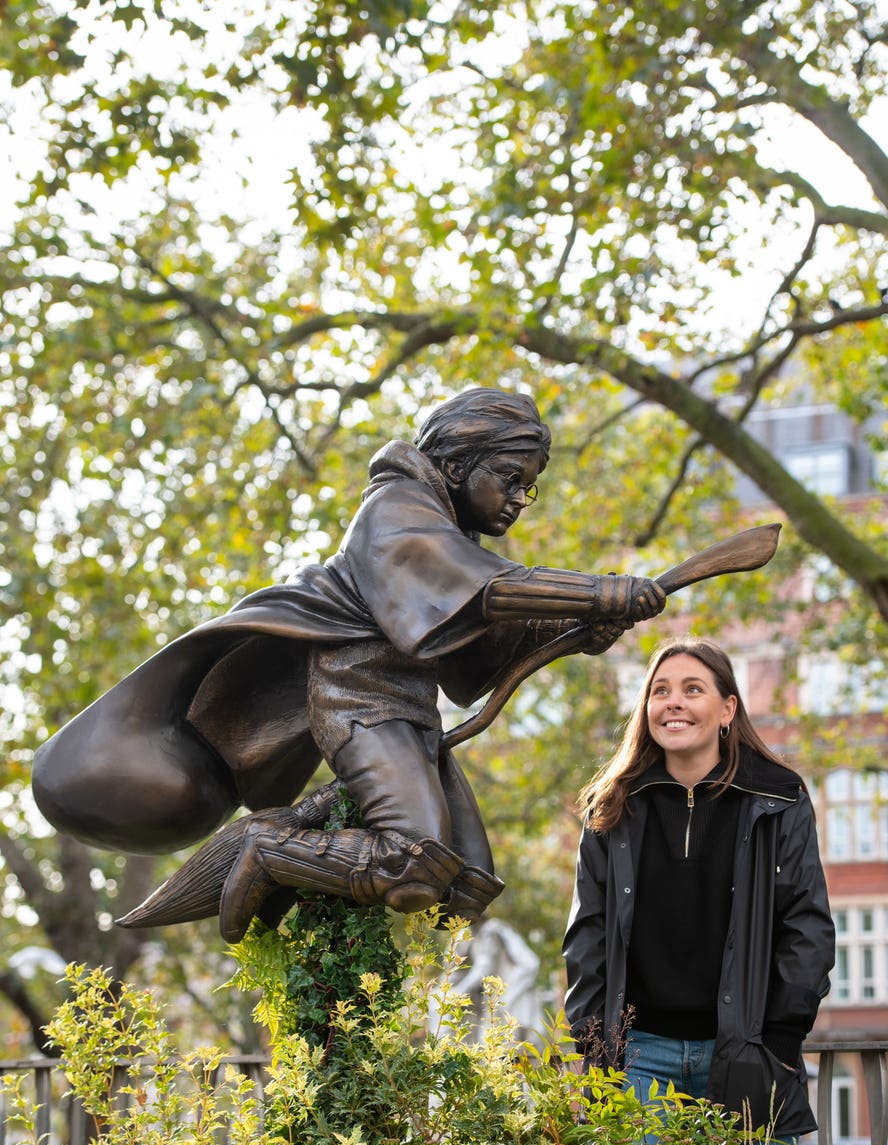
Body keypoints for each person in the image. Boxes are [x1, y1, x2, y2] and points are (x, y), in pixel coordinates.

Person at [32, 388, 666, 940]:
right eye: (509, 475)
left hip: (408, 714)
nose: (521, 498)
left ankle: (312, 868)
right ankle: (270, 847)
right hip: (362, 705)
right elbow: (489, 590)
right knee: (413, 864)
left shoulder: (453, 536)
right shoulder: (395, 510)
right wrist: (597, 591)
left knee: (463, 888)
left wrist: (576, 629)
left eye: (531, 484)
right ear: (454, 462)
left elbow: (469, 668)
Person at [562, 636, 835, 1145]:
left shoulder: (778, 799)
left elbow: (806, 925)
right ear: (646, 709)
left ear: (727, 708)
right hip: (636, 1058)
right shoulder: (611, 805)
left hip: (747, 1053)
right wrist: (593, 1047)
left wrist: (780, 1038)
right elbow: (587, 935)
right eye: (660, 691)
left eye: (693, 689)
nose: (674, 702)